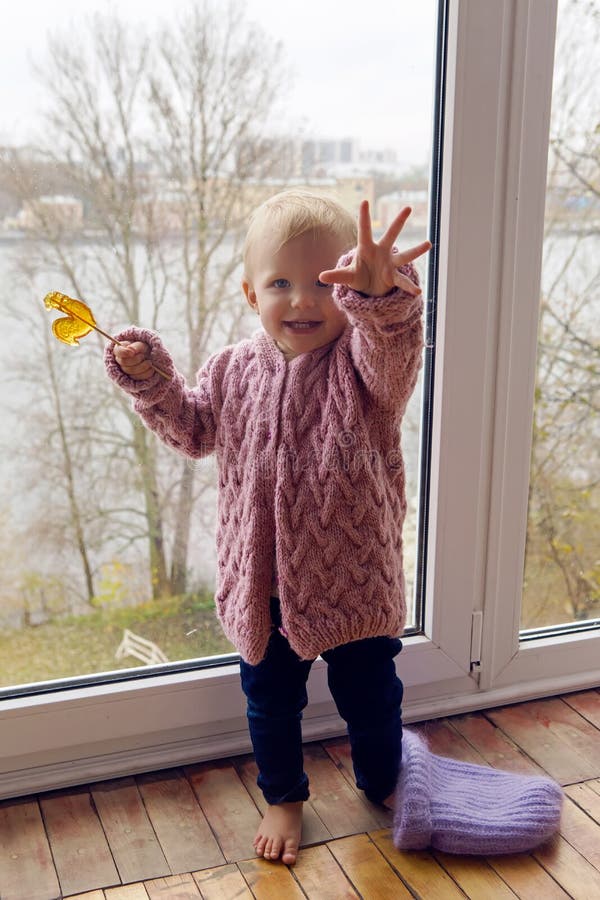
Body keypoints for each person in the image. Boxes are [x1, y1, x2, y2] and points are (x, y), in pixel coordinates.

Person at [105, 190, 562, 866]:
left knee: (372, 700)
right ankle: (284, 796)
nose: (302, 301)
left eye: (324, 284)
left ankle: (383, 778)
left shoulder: (365, 368)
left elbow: (395, 344)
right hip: (261, 585)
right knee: (269, 704)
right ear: (248, 292)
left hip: (354, 578)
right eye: (280, 284)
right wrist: (152, 382)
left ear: (346, 291)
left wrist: (384, 300)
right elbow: (193, 429)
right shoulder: (232, 369)